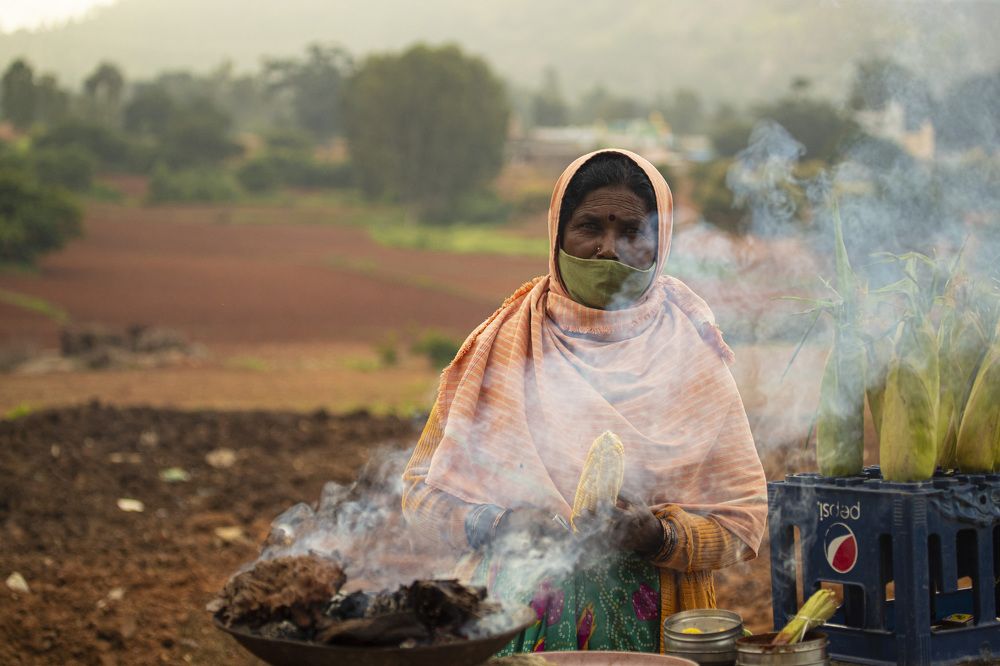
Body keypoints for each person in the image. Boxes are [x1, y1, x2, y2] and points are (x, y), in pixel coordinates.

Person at [401, 148, 767, 655]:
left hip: (657, 636)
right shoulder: (504, 344)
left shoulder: (693, 357)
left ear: (660, 243)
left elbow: (740, 523)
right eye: (589, 227)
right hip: (508, 630)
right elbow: (421, 494)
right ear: (557, 234)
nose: (607, 249)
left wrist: (657, 536)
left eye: (632, 232)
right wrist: (499, 525)